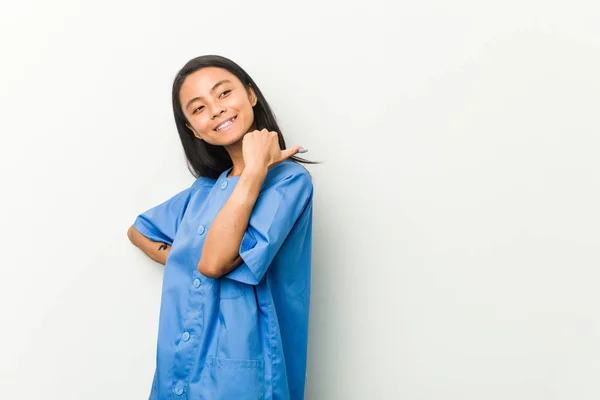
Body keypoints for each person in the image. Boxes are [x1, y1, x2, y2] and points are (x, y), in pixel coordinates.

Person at [127, 55, 315, 400]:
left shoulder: (289, 183)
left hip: (242, 367)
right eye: (198, 109)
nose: (215, 110)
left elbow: (214, 263)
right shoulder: (204, 191)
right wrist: (182, 259)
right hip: (180, 360)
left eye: (224, 93)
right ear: (192, 129)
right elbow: (140, 231)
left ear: (251, 95)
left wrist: (255, 169)